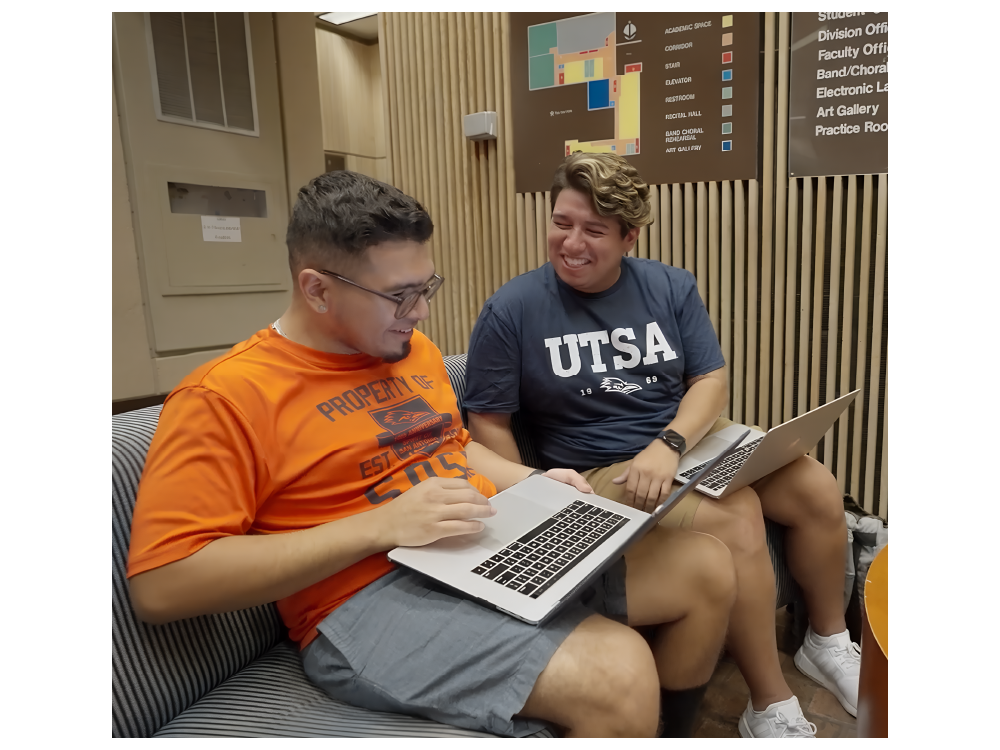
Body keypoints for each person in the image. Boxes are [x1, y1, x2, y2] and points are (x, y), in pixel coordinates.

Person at [127, 170, 739, 738]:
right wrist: (381, 525)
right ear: (316, 289)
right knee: (620, 669)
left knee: (706, 570)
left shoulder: (409, 349)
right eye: (400, 295)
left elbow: (457, 447)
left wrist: (534, 483)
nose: (420, 313)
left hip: (475, 545)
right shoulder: (225, 396)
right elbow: (163, 585)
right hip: (360, 603)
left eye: (426, 288)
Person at [464, 153, 861, 739]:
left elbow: (710, 380)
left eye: (593, 230)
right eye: (561, 222)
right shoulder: (513, 309)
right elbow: (487, 421)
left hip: (680, 443)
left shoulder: (670, 285)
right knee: (739, 518)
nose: (570, 242)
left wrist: (670, 442)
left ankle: (826, 641)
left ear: (630, 235)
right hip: (602, 466)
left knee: (816, 485)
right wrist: (536, 505)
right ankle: (769, 701)